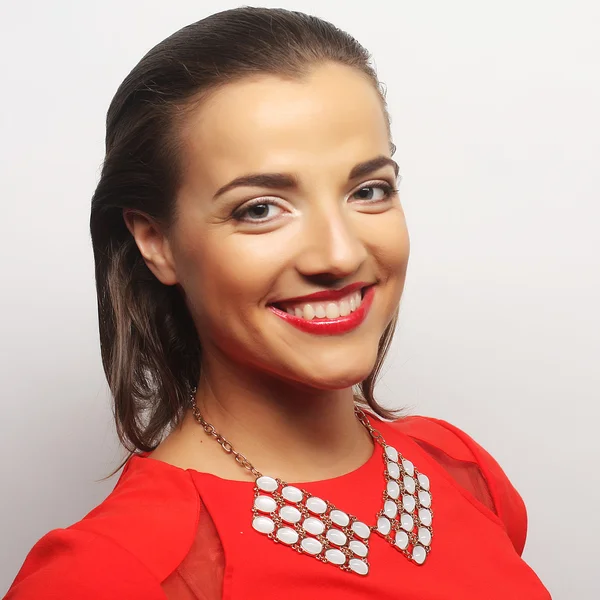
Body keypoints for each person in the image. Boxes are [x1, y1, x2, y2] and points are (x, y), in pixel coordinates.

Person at [5, 6, 551, 599]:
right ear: (155, 242)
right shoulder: (107, 574)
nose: (339, 255)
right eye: (259, 208)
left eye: (368, 191)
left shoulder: (460, 468)